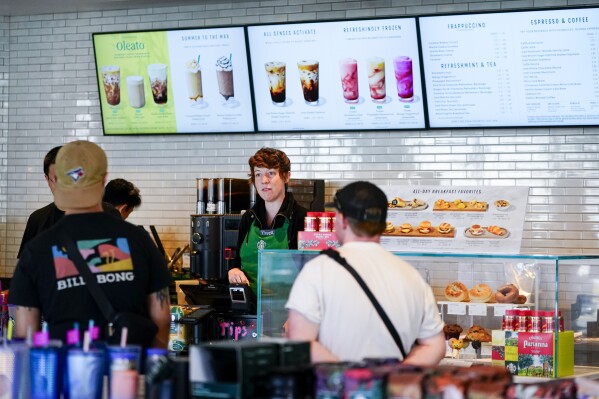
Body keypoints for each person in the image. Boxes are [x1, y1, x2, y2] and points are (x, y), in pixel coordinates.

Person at [9, 141, 171, 348]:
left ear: (56, 180)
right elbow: (162, 318)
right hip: (129, 369)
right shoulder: (139, 240)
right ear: (104, 179)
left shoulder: (37, 249)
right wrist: (149, 367)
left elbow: (26, 333)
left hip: (66, 373)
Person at [286, 181, 445, 365]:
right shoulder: (412, 276)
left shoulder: (317, 271)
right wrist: (392, 380)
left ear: (343, 220)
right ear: (383, 224)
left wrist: (352, 380)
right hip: (391, 391)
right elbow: (436, 345)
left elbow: (300, 343)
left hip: (335, 390)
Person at [228, 147, 307, 294]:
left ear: (286, 176)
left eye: (271, 173)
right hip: (249, 308)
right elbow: (236, 261)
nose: (264, 181)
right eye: (258, 174)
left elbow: (311, 273)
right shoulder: (248, 217)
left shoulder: (302, 218)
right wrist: (233, 270)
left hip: (287, 310)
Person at [17, 146, 120, 258]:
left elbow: (121, 262)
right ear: (47, 180)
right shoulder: (38, 219)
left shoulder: (108, 214)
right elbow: (25, 267)